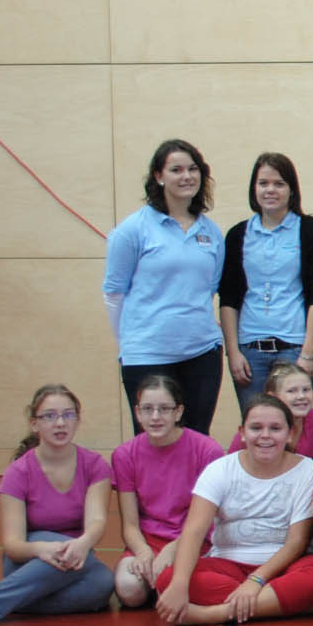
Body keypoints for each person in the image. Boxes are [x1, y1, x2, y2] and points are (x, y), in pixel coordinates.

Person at [153, 394, 313, 626]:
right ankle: (291, 606)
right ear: (242, 432)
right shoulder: (220, 469)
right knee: (168, 578)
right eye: (256, 428)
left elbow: (296, 543)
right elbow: (194, 531)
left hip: (283, 568)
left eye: (275, 428)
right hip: (228, 566)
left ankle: (213, 614)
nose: (265, 435)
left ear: (290, 434)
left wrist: (256, 580)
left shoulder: (307, 471)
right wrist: (179, 585)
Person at [0, 386, 114, 626]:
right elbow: (13, 546)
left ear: (78, 420)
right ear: (35, 424)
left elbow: (96, 521)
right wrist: (43, 549)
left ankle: (4, 597)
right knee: (65, 551)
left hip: (77, 558)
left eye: (68, 414)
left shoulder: (95, 465)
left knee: (103, 584)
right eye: (50, 416)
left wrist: (83, 544)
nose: (60, 423)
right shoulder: (18, 472)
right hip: (28, 560)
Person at [104, 138, 226, 435]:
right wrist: (130, 341)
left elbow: (208, 288)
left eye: (193, 169)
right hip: (147, 355)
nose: (187, 176)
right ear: (158, 176)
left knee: (196, 439)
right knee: (153, 440)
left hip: (201, 353)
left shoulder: (211, 232)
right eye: (176, 170)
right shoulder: (133, 230)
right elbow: (114, 293)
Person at [219, 152, 313, 416]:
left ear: (291, 190)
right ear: (254, 188)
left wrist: (308, 353)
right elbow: (228, 298)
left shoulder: (311, 232)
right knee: (258, 423)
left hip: (294, 348)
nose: (270, 190)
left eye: (279, 184)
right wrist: (233, 352)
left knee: (293, 423)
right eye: (263, 183)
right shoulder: (238, 234)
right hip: (250, 351)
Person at [111, 375, 224, 607]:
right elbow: (130, 524)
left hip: (194, 539)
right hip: (148, 541)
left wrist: (174, 550)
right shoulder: (124, 455)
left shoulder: (207, 450)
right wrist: (143, 552)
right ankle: (155, 583)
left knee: (177, 584)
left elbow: (209, 520)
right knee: (129, 590)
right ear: (137, 413)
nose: (155, 417)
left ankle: (163, 584)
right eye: (147, 409)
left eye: (164, 409)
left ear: (178, 412)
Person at [239, 362, 313, 464]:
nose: (301, 396)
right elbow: (233, 465)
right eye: (291, 391)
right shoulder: (254, 425)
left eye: (306, 390)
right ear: (273, 397)